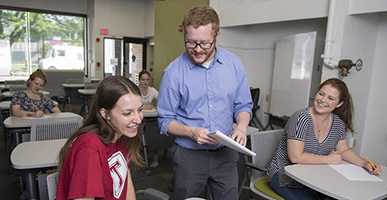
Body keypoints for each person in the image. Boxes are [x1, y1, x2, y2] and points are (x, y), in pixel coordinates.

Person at [157, 5, 253, 200]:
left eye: (204, 43)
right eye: (191, 43)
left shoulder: (234, 64)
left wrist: (242, 127)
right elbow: (165, 120)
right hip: (189, 157)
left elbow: (243, 105)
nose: (198, 50)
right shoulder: (173, 72)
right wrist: (191, 132)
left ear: (217, 36)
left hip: (225, 155)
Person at [266, 78, 382, 200]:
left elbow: (344, 151)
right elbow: (296, 157)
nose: (322, 100)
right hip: (285, 177)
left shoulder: (338, 123)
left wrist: (364, 163)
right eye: (321, 94)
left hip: (313, 177)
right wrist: (328, 159)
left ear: (339, 104)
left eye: (330, 98)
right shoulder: (301, 118)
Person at [56, 76, 144, 200]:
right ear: (105, 113)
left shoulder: (118, 136)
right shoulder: (89, 147)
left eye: (140, 110)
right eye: (127, 113)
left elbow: (126, 183)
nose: (138, 119)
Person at [138, 70, 160, 168]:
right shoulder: (135, 90)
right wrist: (143, 107)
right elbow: (132, 105)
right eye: (143, 79)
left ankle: (155, 157)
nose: (145, 82)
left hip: (151, 117)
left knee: (155, 131)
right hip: (139, 118)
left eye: (147, 79)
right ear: (139, 80)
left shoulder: (152, 90)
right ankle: (138, 155)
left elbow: (162, 100)